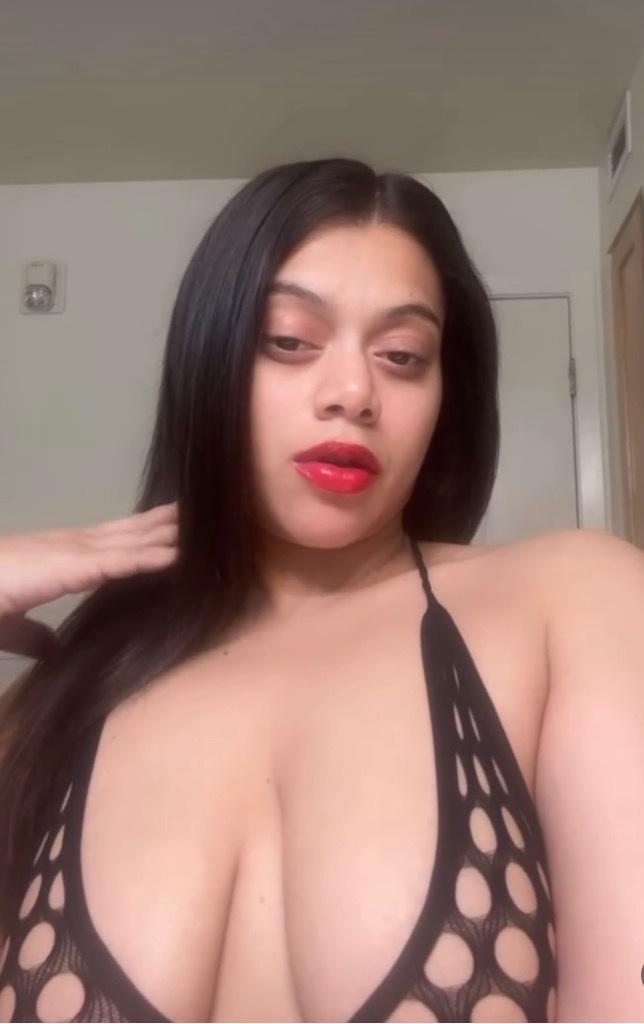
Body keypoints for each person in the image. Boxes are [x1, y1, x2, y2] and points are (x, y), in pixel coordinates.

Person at [0, 157, 642, 1024]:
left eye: (403, 356)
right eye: (290, 341)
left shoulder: (574, 606)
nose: (353, 393)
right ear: (210, 362)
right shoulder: (62, 698)